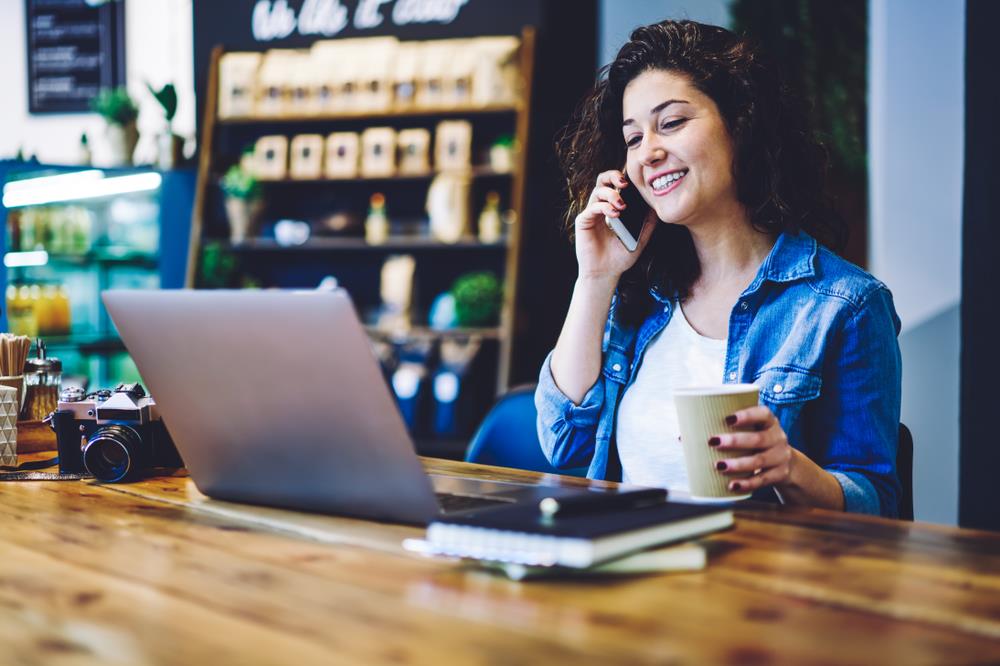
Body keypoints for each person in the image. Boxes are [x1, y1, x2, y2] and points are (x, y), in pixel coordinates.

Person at [535, 20, 902, 517]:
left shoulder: (846, 305)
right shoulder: (641, 296)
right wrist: (596, 279)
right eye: (633, 137)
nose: (650, 152)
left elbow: (876, 504)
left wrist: (788, 467)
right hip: (627, 576)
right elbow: (562, 442)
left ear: (740, 123)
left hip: (755, 583)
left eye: (672, 123)